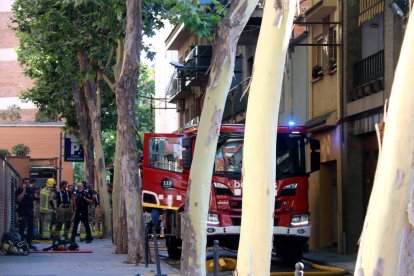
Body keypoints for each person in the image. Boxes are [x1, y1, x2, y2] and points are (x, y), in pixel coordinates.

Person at [15, 177, 38, 250]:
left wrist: (34, 191)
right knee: (22, 227)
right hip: (22, 211)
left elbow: (36, 198)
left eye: (28, 182)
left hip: (30, 211)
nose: (27, 184)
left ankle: (29, 244)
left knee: (30, 228)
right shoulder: (19, 190)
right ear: (22, 183)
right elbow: (19, 199)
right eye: (25, 182)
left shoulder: (31, 190)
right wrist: (24, 190)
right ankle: (23, 244)